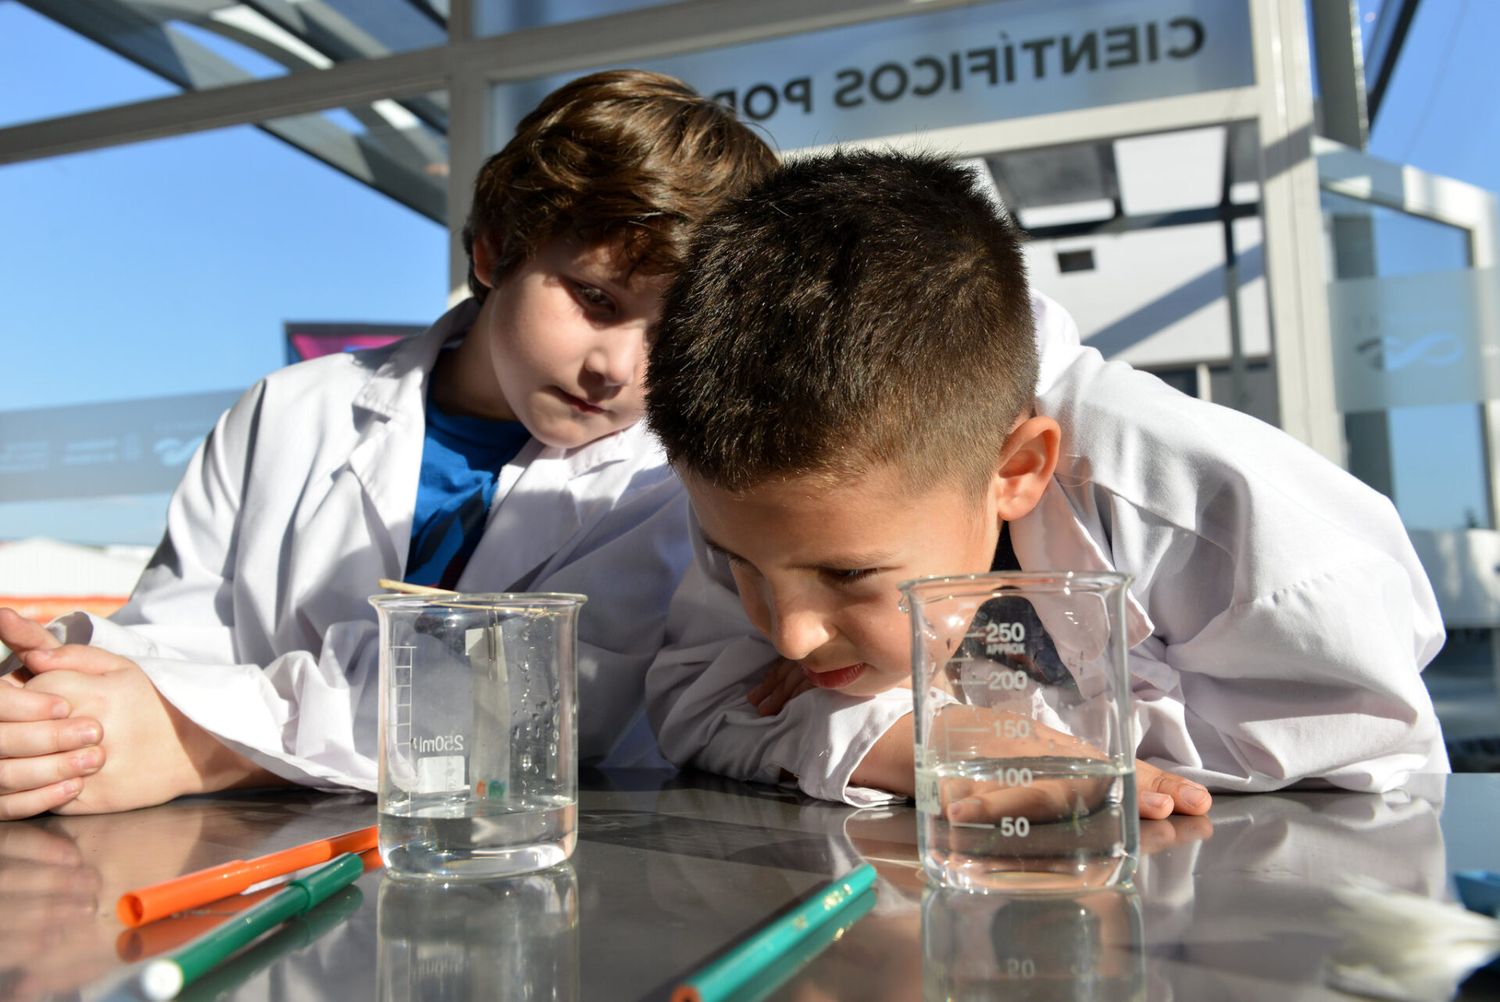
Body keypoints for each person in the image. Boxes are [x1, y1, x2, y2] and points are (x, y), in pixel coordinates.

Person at [0, 69, 777, 820]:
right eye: (595, 298)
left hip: (522, 864)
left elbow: (527, 704)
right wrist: (58, 712)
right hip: (249, 862)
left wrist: (200, 740)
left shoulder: (670, 478)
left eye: (671, 335)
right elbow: (172, 646)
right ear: (493, 250)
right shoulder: (290, 409)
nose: (618, 368)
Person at [642, 149, 1447, 820]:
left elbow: (1361, 743)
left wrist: (988, 731)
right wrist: (913, 749)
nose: (789, 635)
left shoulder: (1203, 506)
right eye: (735, 568)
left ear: (1017, 471)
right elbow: (695, 704)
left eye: (847, 575)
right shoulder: (769, 504)